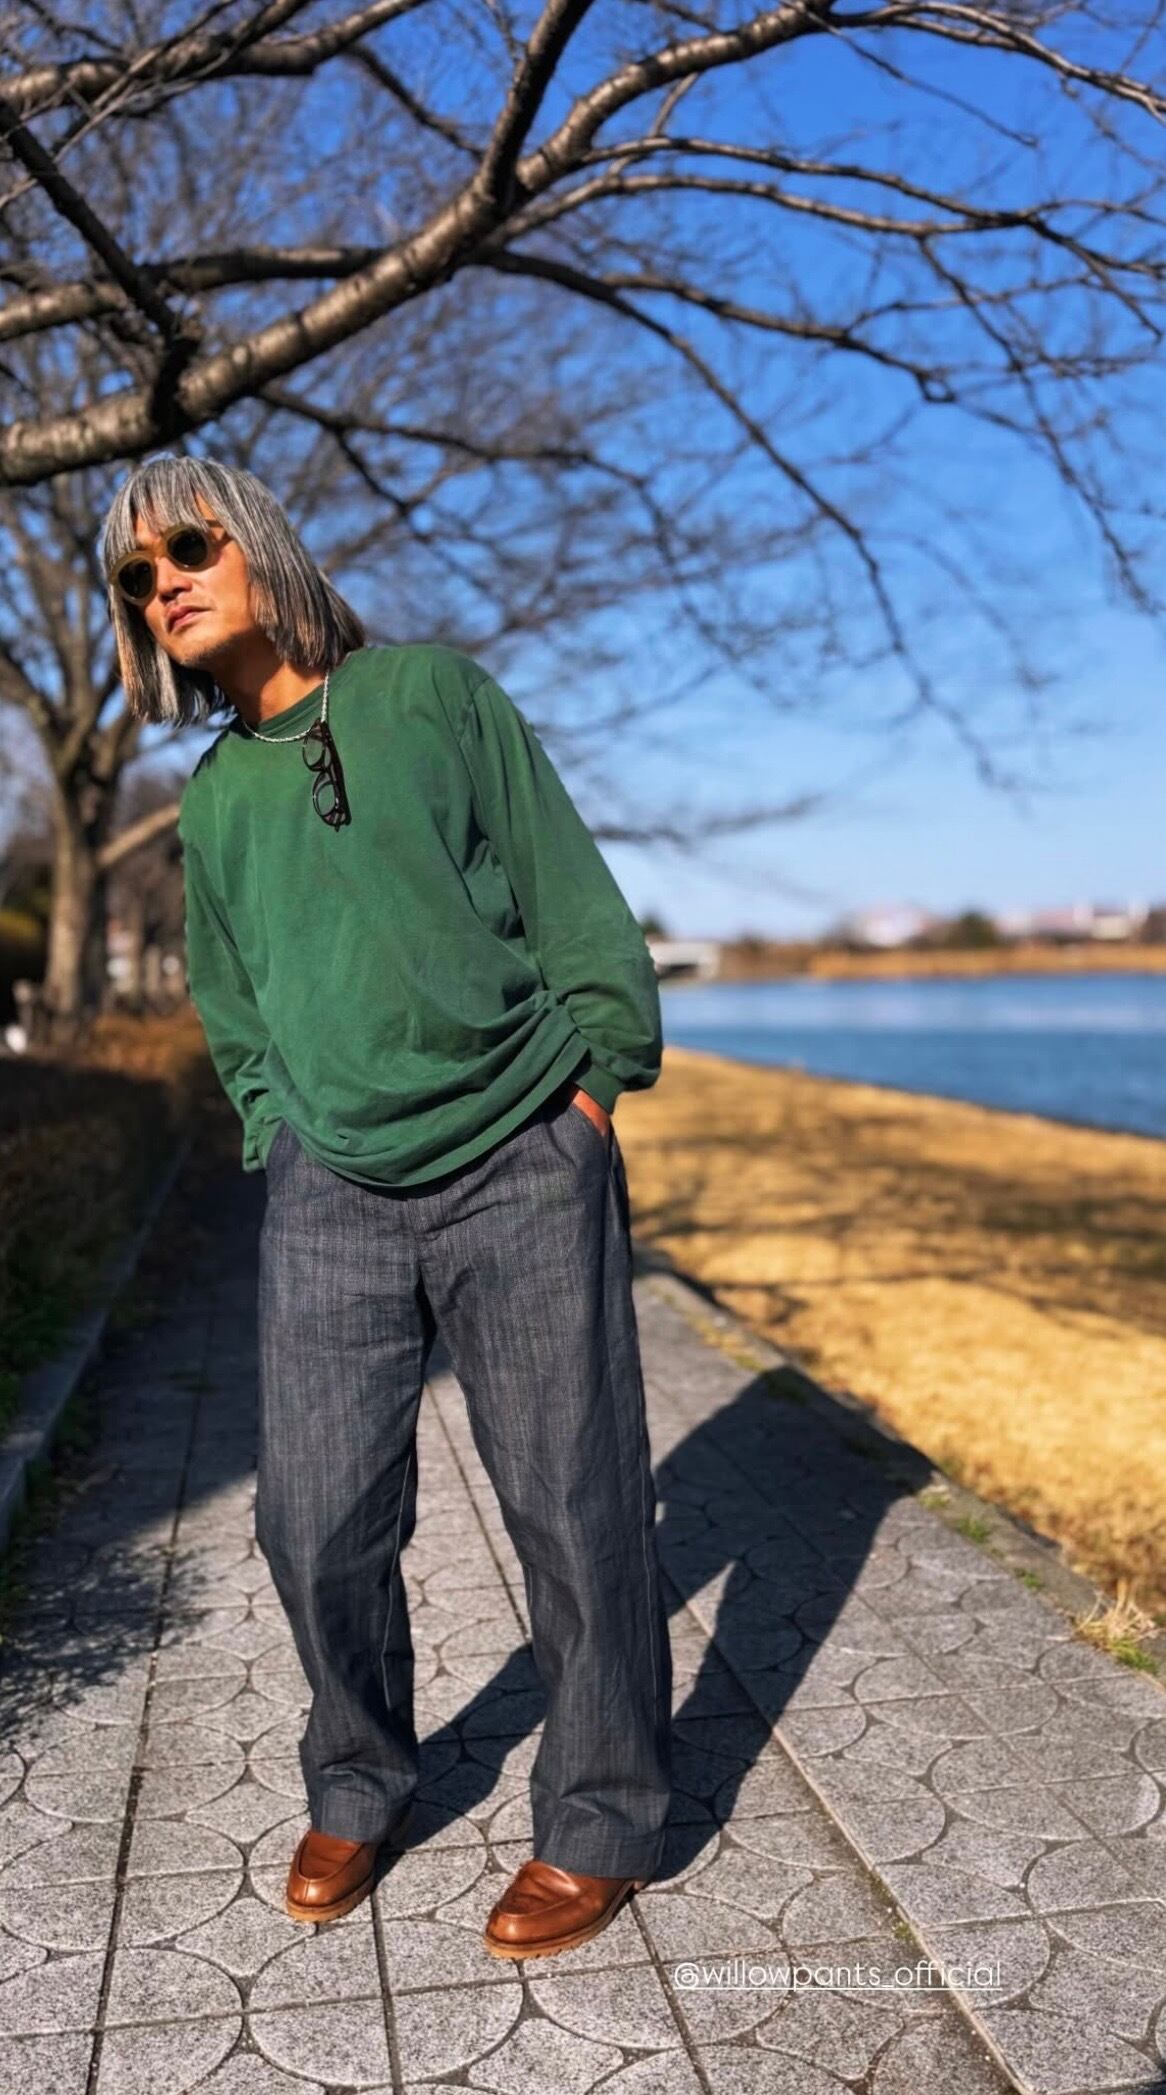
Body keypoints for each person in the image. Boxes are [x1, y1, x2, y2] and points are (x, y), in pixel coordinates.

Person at [101, 454, 672, 1961]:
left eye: (185, 546)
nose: (163, 582)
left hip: (521, 1151)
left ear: (257, 543)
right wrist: (275, 1129)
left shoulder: (433, 696)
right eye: (136, 576)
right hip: (331, 1191)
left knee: (573, 1501)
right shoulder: (212, 800)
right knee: (310, 1519)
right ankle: (358, 1781)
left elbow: (567, 895)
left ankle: (602, 1817)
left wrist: (594, 1091)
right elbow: (233, 1004)